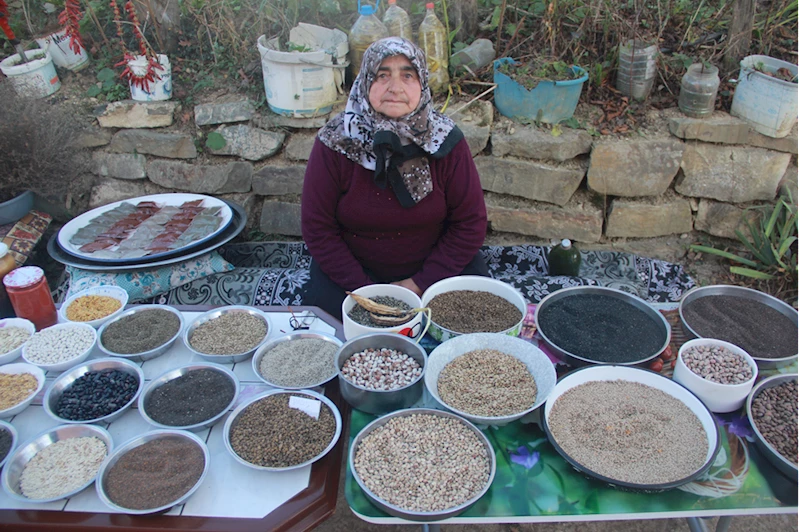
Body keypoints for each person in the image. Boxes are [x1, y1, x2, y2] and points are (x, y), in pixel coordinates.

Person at [301, 37, 488, 320]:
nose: (395, 87)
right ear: (365, 82)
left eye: (407, 75)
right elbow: (318, 229)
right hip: (352, 276)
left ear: (422, 82)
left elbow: (470, 223)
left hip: (435, 270)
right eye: (382, 75)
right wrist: (367, 292)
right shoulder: (336, 142)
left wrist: (418, 285)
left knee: (472, 326)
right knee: (336, 336)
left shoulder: (445, 141)